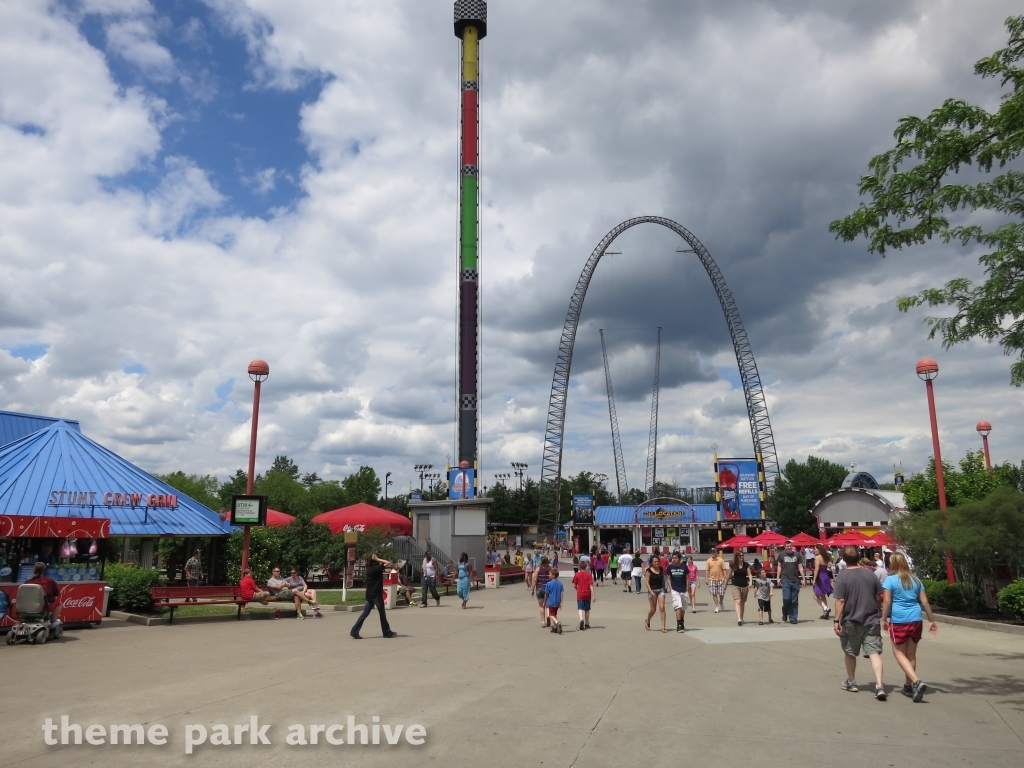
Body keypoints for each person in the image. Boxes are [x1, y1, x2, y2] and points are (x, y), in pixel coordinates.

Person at [882, 552, 938, 702]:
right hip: (916, 619)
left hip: (899, 620)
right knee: (911, 655)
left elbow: (886, 602)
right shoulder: (916, 580)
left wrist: (883, 619)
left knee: (899, 654)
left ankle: (916, 681)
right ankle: (909, 686)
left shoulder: (890, 580)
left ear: (892, 564)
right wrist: (931, 620)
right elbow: (925, 602)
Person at [833, 545, 886, 700]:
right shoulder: (870, 575)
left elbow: (840, 600)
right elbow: (878, 596)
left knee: (850, 651)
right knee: (874, 652)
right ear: (858, 557)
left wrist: (836, 620)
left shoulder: (843, 577)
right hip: (871, 619)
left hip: (851, 620)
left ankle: (852, 681)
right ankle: (879, 685)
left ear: (844, 559)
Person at [351, 554, 398, 639]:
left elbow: (375, 582)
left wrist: (381, 589)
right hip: (376, 596)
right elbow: (388, 563)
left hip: (370, 595)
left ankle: (354, 631)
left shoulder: (370, 570)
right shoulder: (376, 569)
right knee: (382, 614)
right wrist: (378, 558)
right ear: (375, 562)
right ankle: (387, 632)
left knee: (365, 614)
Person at [775, 541, 805, 624]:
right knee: (787, 598)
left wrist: (803, 578)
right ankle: (785, 611)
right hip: (785, 580)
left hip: (795, 580)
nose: (789, 547)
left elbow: (800, 567)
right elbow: (779, 567)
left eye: (790, 546)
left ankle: (793, 618)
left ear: (792, 546)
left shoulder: (797, 555)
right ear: (785, 547)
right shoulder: (781, 555)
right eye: (787, 546)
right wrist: (778, 578)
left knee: (794, 601)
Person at [666, 552, 689, 632]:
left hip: (683, 590)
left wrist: (687, 587)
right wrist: (671, 588)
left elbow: (687, 578)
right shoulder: (670, 567)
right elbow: (668, 578)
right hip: (675, 590)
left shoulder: (684, 567)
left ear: (680, 559)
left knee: (683, 607)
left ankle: (682, 621)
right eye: (673, 558)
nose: (674, 560)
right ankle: (679, 624)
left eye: (675, 558)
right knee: (678, 606)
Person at [727, 551, 750, 626]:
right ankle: (739, 619)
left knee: (742, 603)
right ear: (737, 556)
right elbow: (729, 575)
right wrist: (725, 583)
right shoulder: (734, 565)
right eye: (740, 555)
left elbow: (749, 574)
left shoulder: (746, 565)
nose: (742, 557)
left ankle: (741, 617)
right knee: (738, 601)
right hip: (735, 586)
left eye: (742, 555)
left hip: (744, 586)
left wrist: (750, 582)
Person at [645, 555, 667, 632]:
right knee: (653, 610)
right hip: (652, 591)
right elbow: (647, 582)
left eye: (658, 561)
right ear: (651, 563)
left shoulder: (661, 569)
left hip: (660, 590)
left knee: (662, 608)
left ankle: (663, 627)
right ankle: (648, 620)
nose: (657, 563)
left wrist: (665, 589)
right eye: (655, 562)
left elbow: (663, 580)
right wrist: (651, 592)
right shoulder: (648, 571)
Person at [812, 544, 834, 619]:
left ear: (819, 549)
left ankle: (825, 608)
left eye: (815, 549)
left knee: (815, 596)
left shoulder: (817, 557)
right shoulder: (825, 557)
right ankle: (825, 612)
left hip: (820, 577)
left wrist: (814, 579)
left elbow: (817, 569)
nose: (814, 550)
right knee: (823, 596)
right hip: (826, 576)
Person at [572, 559, 594, 630]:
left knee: (580, 608)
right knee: (587, 609)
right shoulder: (589, 575)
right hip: (587, 593)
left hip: (580, 593)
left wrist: (577, 590)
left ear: (579, 567)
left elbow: (574, 585)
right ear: (586, 566)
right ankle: (587, 623)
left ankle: (581, 619)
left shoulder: (577, 574)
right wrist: (593, 595)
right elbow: (591, 585)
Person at [705, 548, 727, 613]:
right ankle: (717, 606)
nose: (713, 553)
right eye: (712, 552)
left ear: (716, 552)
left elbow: (724, 569)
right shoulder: (709, 561)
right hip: (712, 579)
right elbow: (707, 570)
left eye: (714, 552)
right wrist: (706, 579)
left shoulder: (721, 560)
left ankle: (721, 602)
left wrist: (725, 577)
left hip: (720, 579)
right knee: (714, 593)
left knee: (721, 593)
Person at [533, 556, 553, 627]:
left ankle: (543, 622)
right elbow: (552, 578)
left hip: (540, 589)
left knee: (541, 606)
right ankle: (548, 616)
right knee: (548, 605)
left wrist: (532, 589)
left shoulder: (538, 569)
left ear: (541, 561)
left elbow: (535, 580)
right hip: (548, 589)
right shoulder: (550, 569)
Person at [545, 568, 564, 634]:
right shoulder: (560, 584)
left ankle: (557, 623)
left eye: (550, 574)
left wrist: (545, 601)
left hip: (551, 601)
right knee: (554, 614)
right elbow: (562, 593)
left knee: (550, 615)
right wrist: (561, 602)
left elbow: (546, 593)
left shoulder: (548, 584)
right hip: (557, 601)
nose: (548, 575)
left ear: (553, 575)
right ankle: (555, 627)